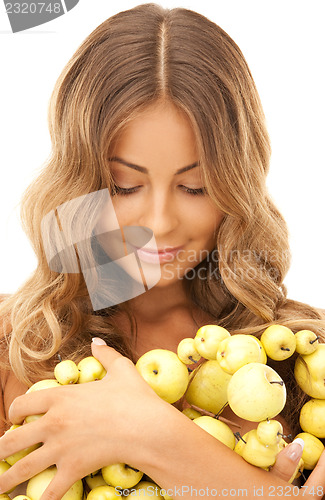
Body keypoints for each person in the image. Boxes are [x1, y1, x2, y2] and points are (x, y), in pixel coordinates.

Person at [0, 3, 325, 499]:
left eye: (194, 187)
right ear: (76, 185)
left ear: (237, 187)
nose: (158, 223)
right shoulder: (14, 346)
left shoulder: (307, 355)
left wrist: (145, 431)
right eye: (124, 185)